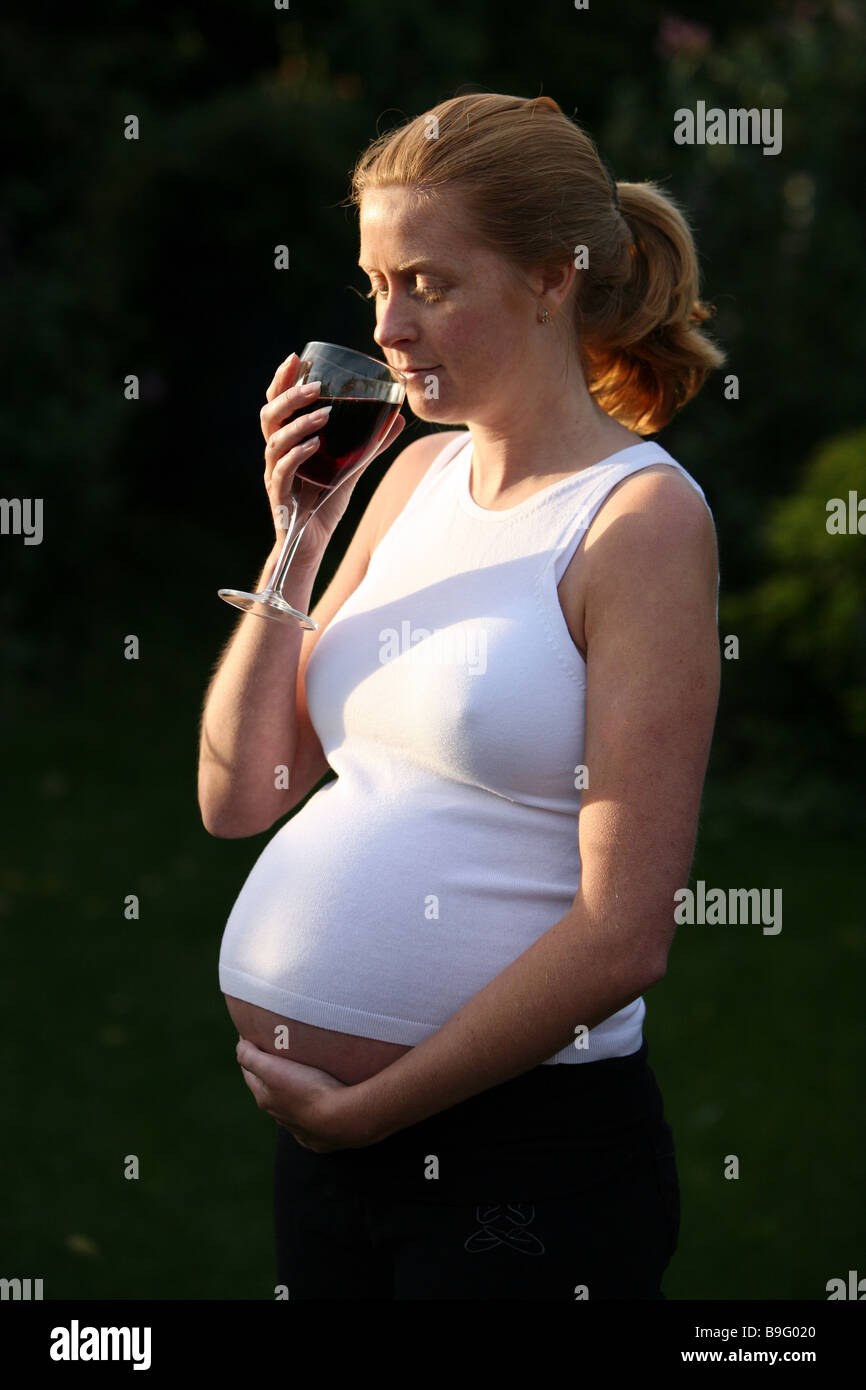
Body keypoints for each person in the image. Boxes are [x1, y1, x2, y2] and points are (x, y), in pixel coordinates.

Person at [198, 91, 724, 1300]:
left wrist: (377, 1108)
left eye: (426, 283)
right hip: (331, 1152)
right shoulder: (414, 472)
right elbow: (242, 796)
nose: (387, 326)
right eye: (373, 284)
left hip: (519, 1158)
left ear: (550, 278)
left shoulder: (636, 521)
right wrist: (299, 537)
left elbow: (625, 931)